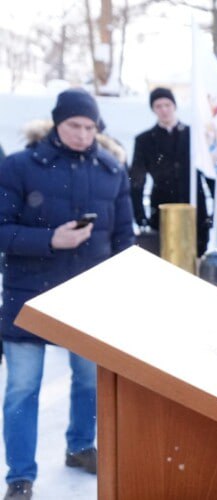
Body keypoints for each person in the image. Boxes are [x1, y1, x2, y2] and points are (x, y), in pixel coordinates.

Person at [0, 89, 135, 500]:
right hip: (28, 299)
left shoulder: (112, 171)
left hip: (87, 302)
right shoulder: (19, 167)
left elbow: (124, 242)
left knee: (90, 383)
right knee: (23, 388)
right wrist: (49, 240)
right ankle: (19, 475)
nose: (82, 134)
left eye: (90, 127)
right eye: (74, 125)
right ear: (57, 124)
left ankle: (80, 447)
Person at [129, 87, 213, 255]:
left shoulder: (194, 135)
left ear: (174, 106)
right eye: (158, 106)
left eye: (167, 104)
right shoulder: (145, 140)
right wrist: (139, 215)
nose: (164, 110)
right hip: (162, 207)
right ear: (153, 109)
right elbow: (137, 180)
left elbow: (209, 170)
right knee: (165, 254)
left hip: (194, 205)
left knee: (196, 255)